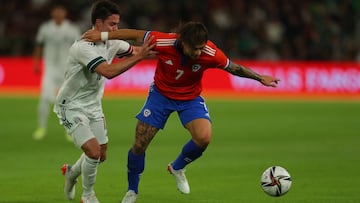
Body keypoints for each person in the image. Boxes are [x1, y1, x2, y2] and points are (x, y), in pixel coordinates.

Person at [83, 21, 280, 203]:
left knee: (204, 137)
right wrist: (102, 35)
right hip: (160, 96)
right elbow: (133, 34)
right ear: (182, 41)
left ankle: (177, 167)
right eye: (195, 48)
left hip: (190, 99)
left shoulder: (210, 53)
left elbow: (234, 68)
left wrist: (259, 77)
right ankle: (132, 191)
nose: (198, 52)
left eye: (201, 47)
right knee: (139, 144)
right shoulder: (164, 41)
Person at [53, 1, 156, 203]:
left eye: (117, 24)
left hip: (93, 105)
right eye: (112, 24)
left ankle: (72, 173)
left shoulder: (112, 41)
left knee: (101, 155)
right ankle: (88, 195)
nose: (116, 29)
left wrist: (171, 49)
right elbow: (108, 72)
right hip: (71, 105)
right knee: (92, 151)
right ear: (98, 23)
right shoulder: (83, 47)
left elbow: (138, 50)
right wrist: (140, 56)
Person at [33, 4, 81, 141]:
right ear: (52, 13)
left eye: (61, 11)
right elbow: (38, 45)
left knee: (69, 100)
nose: (59, 13)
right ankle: (41, 128)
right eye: (56, 11)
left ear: (65, 13)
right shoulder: (45, 28)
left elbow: (78, 48)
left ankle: (69, 129)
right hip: (50, 69)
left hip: (67, 69)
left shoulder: (72, 29)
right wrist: (36, 63)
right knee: (44, 98)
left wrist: (78, 65)